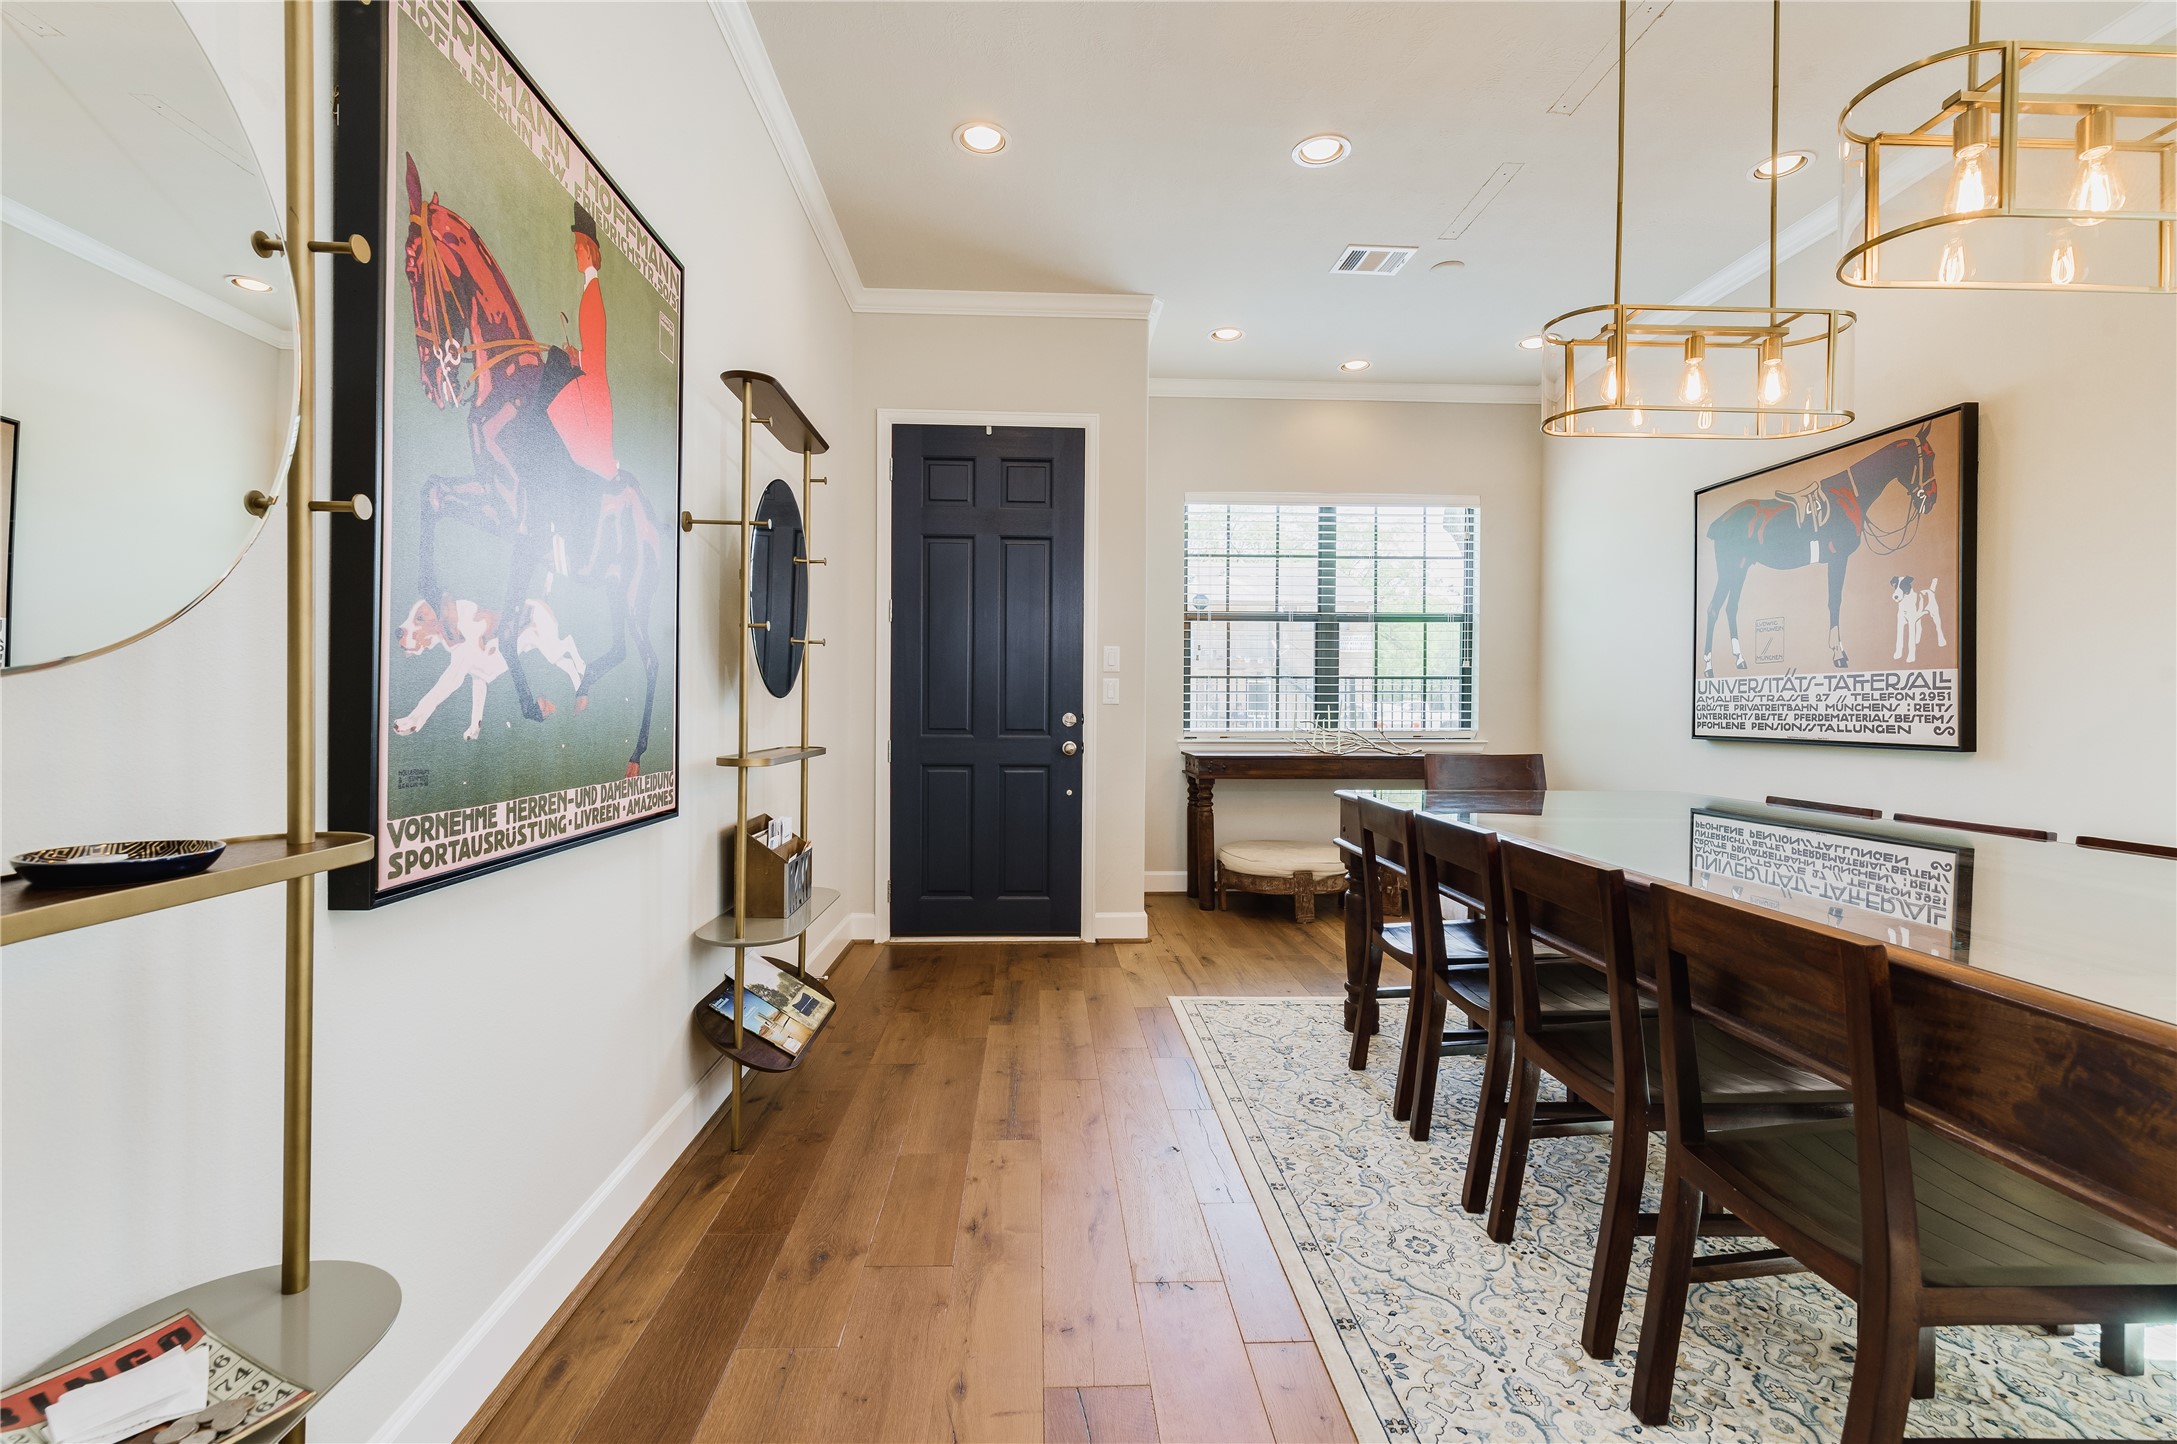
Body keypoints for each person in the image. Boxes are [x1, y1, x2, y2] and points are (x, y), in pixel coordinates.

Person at [547, 203, 618, 482]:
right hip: (590, 379)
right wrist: (577, 354)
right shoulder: (590, 291)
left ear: (587, 249)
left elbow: (597, 358)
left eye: (577, 247)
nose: (575, 253)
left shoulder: (592, 295)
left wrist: (577, 359)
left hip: (592, 388)